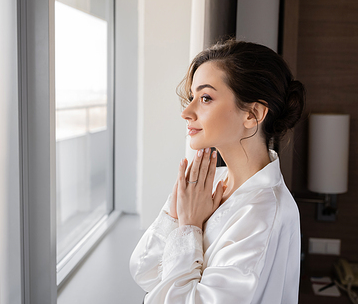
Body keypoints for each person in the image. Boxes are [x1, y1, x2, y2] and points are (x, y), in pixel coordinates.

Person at [129, 39, 305, 304]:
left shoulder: (263, 214)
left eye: (205, 98)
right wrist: (180, 218)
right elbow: (143, 270)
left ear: (253, 114)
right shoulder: (208, 184)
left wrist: (188, 228)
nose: (186, 112)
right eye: (191, 98)